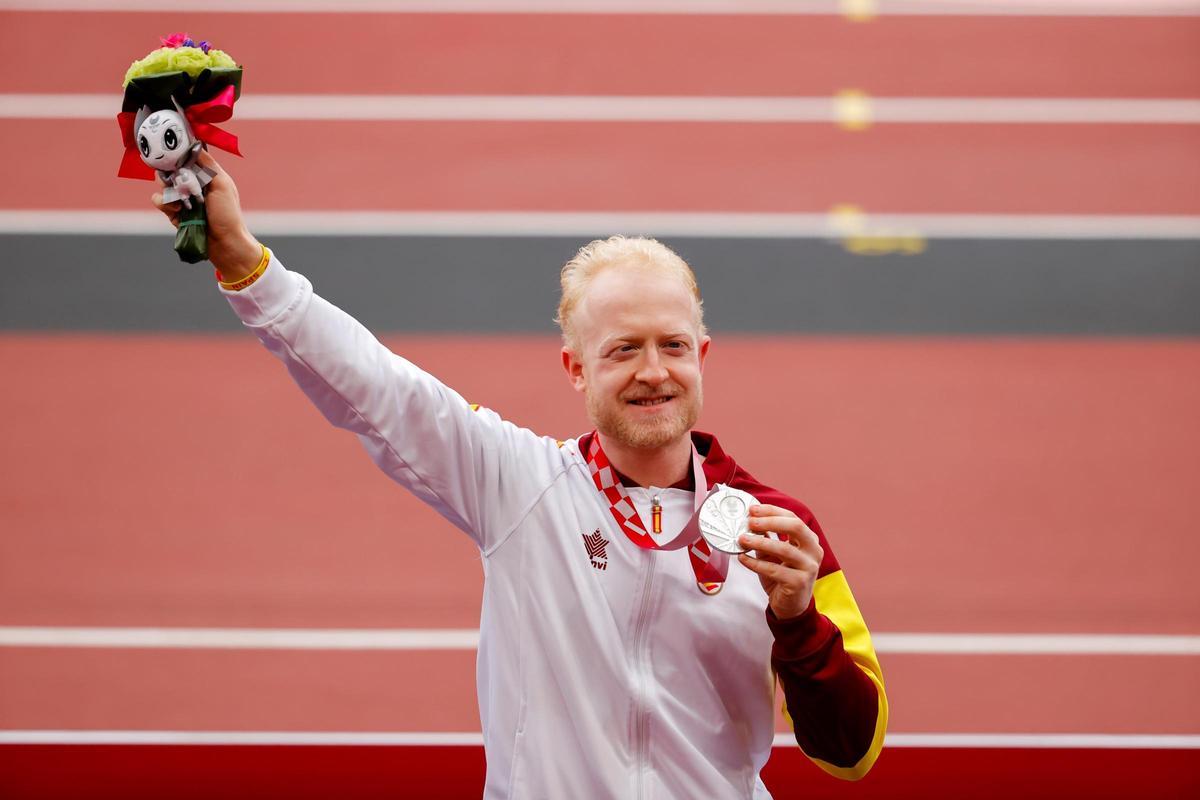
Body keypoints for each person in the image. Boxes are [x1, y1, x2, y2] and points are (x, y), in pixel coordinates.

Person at [153, 151, 888, 799]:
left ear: (703, 354)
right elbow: (378, 386)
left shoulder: (777, 531)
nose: (653, 371)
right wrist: (242, 258)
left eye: (672, 345)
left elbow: (852, 755)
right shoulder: (520, 485)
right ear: (576, 368)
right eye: (623, 350)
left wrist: (796, 622)